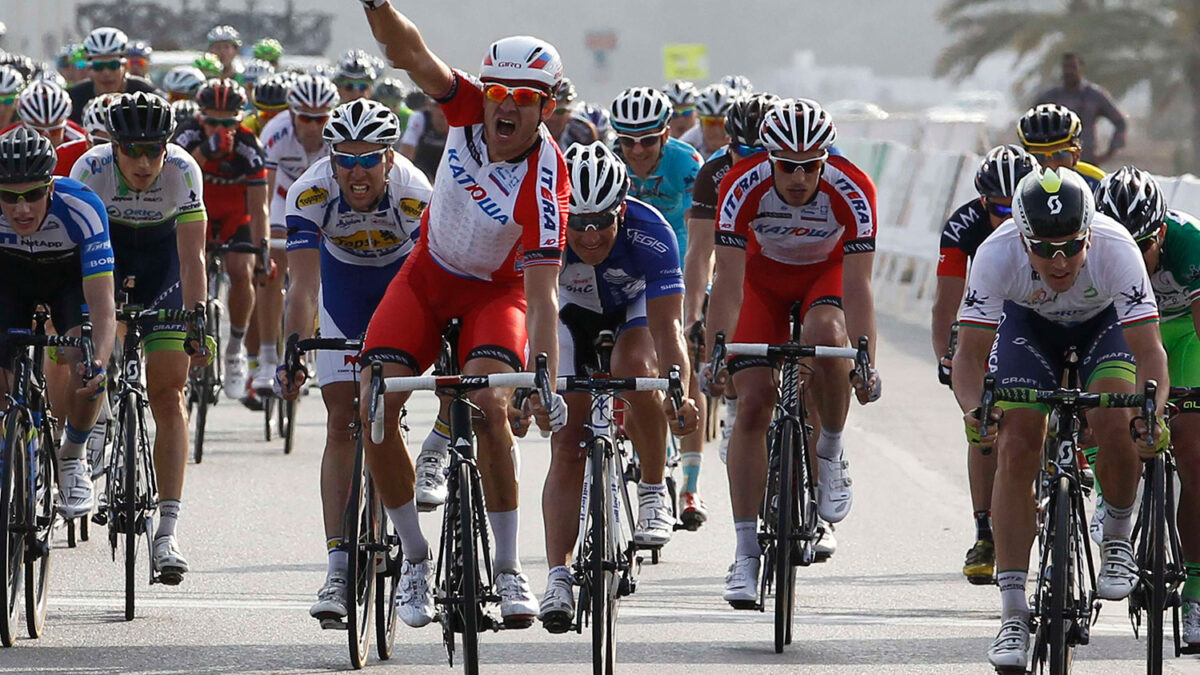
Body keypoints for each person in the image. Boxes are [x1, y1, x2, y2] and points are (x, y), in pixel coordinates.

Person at [356, 0, 570, 629]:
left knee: (489, 407)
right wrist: (378, 6)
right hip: (427, 277)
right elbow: (408, 53)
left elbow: (543, 292)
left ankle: (508, 567)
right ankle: (415, 558)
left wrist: (544, 380)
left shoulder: (546, 178)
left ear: (545, 107)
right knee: (374, 402)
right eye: (499, 90)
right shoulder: (466, 106)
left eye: (524, 98)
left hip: (494, 296)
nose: (506, 105)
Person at [950, 166, 1168, 670]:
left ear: (1089, 233)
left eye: (1071, 245)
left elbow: (1150, 353)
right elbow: (969, 355)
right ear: (1022, 240)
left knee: (1116, 416)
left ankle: (1116, 532)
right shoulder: (995, 254)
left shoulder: (1116, 249)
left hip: (1102, 328)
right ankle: (1012, 615)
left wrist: (1150, 416)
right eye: (1044, 249)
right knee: (1015, 443)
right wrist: (973, 411)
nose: (1060, 260)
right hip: (1028, 330)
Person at [705, 98, 881, 607]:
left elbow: (859, 289)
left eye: (810, 166)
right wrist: (715, 354)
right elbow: (729, 284)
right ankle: (744, 553)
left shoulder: (854, 188)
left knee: (828, 334)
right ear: (769, 159)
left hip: (823, 278)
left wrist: (865, 358)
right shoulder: (741, 185)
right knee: (754, 401)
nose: (800, 177)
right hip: (760, 282)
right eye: (788, 166)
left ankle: (829, 449)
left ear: (826, 159)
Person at [273, 99, 432, 627]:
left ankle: (411, 547)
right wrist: (293, 350)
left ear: (389, 158)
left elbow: (425, 281)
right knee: (342, 420)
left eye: (369, 160)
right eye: (346, 159)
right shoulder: (309, 192)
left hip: (400, 288)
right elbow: (302, 287)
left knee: (379, 410)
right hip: (341, 288)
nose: (357, 172)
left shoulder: (416, 194)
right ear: (331, 159)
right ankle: (338, 566)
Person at [538, 141, 699, 630]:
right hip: (568, 315)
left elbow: (669, 328)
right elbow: (536, 315)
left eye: (600, 223)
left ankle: (653, 490)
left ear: (621, 210)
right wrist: (537, 389)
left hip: (633, 313)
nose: (588, 236)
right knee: (567, 440)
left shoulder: (651, 231)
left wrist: (681, 393)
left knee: (638, 372)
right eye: (578, 224)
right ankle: (558, 576)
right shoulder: (548, 230)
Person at [70, 92, 209, 584]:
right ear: (114, 146)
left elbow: (192, 259)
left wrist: (197, 320)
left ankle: (167, 532)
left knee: (168, 397)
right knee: (90, 363)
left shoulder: (183, 172)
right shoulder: (90, 170)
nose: (146, 162)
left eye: (156, 149)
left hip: (163, 270)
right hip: (104, 265)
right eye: (134, 150)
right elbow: (76, 251)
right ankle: (96, 426)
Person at [1094, 166, 1200, 649]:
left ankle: (1197, 593)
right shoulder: (1093, 247)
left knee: (1194, 447)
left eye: (1143, 247)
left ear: (1160, 232)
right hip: (1123, 334)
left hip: (1181, 335)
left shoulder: (1188, 242)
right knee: (1108, 411)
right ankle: (1108, 489)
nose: (1132, 258)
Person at [929, 144, 1037, 585]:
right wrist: (945, 355)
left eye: (1017, 207)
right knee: (985, 421)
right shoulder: (964, 226)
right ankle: (986, 532)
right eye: (998, 208)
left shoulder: (1055, 214)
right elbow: (945, 304)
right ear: (981, 203)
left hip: (1044, 312)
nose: (1009, 218)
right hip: (989, 310)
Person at [0, 126, 114, 519]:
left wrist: (99, 361)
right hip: (9, 282)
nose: (21, 209)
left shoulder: (82, 206)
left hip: (68, 282)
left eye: (32, 194)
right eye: (9, 198)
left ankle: (73, 457)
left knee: (81, 365)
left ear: (51, 187)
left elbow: (102, 304)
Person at [684, 92, 776, 478]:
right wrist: (692, 315)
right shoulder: (715, 172)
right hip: (741, 268)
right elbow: (700, 251)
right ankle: (736, 412)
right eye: (743, 153)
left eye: (764, 155)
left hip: (792, 265)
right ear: (727, 145)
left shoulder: (797, 170)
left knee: (814, 368)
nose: (753, 167)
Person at [173, 79, 270, 401]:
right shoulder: (187, 135)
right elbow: (171, 179)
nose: (219, 128)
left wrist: (264, 250)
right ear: (200, 116)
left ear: (241, 119)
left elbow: (260, 207)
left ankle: (235, 348)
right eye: (211, 121)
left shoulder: (248, 145)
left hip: (234, 217)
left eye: (228, 122)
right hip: (195, 212)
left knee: (242, 270)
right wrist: (202, 154)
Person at [252, 75, 339, 397]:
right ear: (291, 114)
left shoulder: (338, 136)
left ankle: (310, 347)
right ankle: (266, 358)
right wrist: (264, 239)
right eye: (305, 118)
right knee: (273, 267)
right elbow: (263, 192)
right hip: (282, 197)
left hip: (323, 200)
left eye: (321, 118)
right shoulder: (275, 131)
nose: (314, 126)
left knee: (320, 270)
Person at [1035, 53, 1127, 166]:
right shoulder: (1051, 96)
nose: (1068, 71)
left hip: (1087, 161)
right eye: (1066, 67)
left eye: (1073, 67)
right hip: (1055, 163)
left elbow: (1120, 122)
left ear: (1081, 68)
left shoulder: (1094, 95)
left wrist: (1109, 153)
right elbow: (1031, 123)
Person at [67, 27, 159, 124]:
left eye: (113, 65)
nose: (106, 72)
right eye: (98, 66)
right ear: (89, 69)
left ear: (126, 66)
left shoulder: (146, 94)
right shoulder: (74, 98)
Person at [1017, 103, 1104, 188]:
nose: (1050, 166)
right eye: (1038, 157)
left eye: (1060, 154)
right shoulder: (1014, 186)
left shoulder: (1099, 183)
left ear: (1077, 154)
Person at [680, 83, 736, 161]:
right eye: (710, 122)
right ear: (700, 122)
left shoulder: (743, 145)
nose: (716, 131)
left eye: (722, 122)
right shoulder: (687, 144)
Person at [398, 93, 446, 181]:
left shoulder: (460, 122)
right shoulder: (419, 117)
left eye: (446, 106)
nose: (441, 112)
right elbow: (406, 156)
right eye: (437, 106)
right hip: (421, 171)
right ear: (429, 104)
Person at [543, 77, 597, 149]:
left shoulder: (584, 132)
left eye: (560, 111)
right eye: (548, 110)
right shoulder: (530, 130)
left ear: (570, 111)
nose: (553, 117)